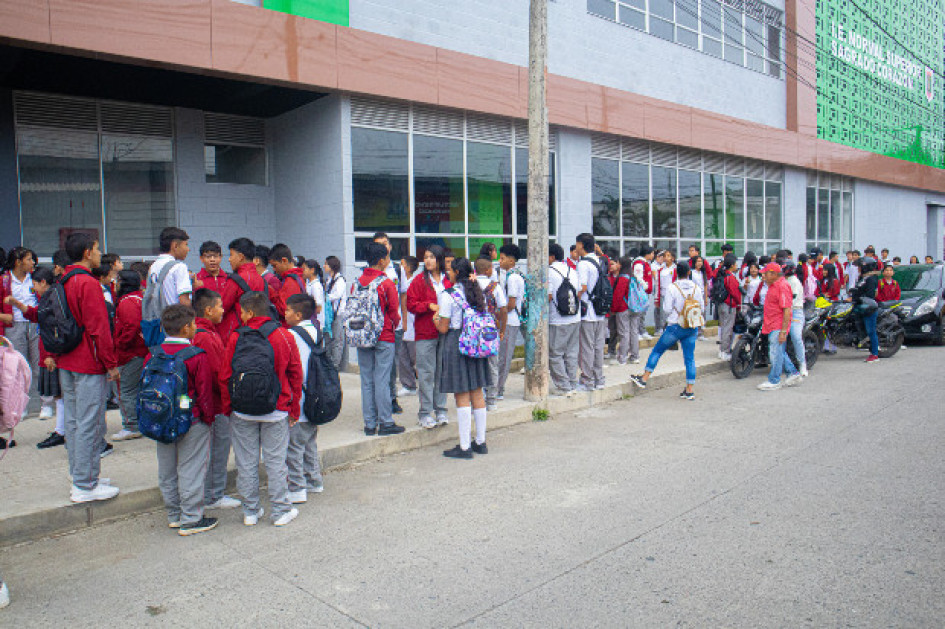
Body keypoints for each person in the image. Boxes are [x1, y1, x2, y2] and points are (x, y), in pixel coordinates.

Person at [221, 291, 303, 527]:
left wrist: (229, 406)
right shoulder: (284, 335)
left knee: (246, 462)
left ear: (248, 312)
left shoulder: (236, 337)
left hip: (242, 410)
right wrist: (293, 408)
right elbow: (296, 375)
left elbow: (225, 375)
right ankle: (279, 511)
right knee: (276, 462)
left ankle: (250, 511)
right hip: (276, 409)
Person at [57, 233, 120, 502]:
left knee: (73, 421)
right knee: (90, 423)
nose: (98, 254)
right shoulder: (88, 284)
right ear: (86, 252)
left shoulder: (62, 280)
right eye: (96, 249)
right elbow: (99, 328)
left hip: (66, 359)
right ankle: (85, 484)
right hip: (88, 361)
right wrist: (111, 364)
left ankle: (81, 473)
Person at [149, 304, 218, 536]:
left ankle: (174, 514)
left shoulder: (155, 353)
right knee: (191, 468)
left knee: (167, 468)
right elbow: (204, 392)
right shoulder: (196, 356)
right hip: (192, 418)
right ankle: (191, 518)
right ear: (187, 327)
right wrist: (209, 418)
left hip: (160, 418)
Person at [436, 257, 492, 458]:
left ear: (457, 273)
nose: (447, 273)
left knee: (461, 394)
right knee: (477, 392)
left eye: (450, 270)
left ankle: (465, 447)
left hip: (457, 343)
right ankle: (481, 442)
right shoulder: (476, 292)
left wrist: (436, 320)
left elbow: (443, 327)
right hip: (476, 344)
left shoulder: (448, 295)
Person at [4, 266, 66, 449]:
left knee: (60, 395)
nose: (34, 290)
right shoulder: (50, 298)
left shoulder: (53, 300)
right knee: (59, 395)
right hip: (50, 353)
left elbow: (52, 329)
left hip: (53, 355)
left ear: (43, 282)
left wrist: (49, 355)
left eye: (34, 286)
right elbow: (36, 315)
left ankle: (62, 431)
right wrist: (17, 303)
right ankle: (62, 429)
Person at [191, 288, 241, 511]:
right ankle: (213, 495)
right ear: (209, 310)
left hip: (210, 404)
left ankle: (210, 492)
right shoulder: (206, 336)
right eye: (220, 306)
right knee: (218, 449)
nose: (223, 310)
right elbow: (215, 374)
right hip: (216, 404)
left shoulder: (202, 332)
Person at [629, 261, 702, 400]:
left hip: (675, 325)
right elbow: (701, 308)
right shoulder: (696, 288)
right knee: (689, 358)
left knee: (658, 350)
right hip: (691, 326)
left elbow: (667, 309)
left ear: (676, 273)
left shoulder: (672, 288)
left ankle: (644, 378)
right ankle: (689, 390)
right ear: (688, 273)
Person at [354, 242, 405, 436]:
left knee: (366, 380)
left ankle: (369, 424)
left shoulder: (357, 282)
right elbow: (394, 312)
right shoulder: (386, 283)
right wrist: (395, 323)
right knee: (381, 380)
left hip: (362, 335)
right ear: (382, 260)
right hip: (384, 335)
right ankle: (385, 422)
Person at [3, 247, 53, 418]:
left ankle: (46, 403)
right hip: (14, 325)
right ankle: (20, 406)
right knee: (18, 368)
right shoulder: (4, 279)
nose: (33, 263)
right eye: (29, 259)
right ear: (18, 262)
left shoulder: (35, 278)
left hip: (35, 323)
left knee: (40, 363)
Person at [285, 293, 325, 504]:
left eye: (288, 310)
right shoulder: (317, 332)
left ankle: (297, 487)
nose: (285, 313)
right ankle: (314, 480)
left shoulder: (291, 334)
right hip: (316, 396)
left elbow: (294, 369)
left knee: (294, 446)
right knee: (310, 441)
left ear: (298, 314)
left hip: (299, 398)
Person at [406, 245, 450, 429]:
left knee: (442, 372)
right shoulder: (418, 281)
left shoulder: (448, 280)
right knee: (426, 373)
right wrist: (428, 306)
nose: (428, 260)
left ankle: (440, 409)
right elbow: (411, 304)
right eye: (426, 257)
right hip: (425, 332)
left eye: (432, 257)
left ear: (439, 259)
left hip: (445, 331)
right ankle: (425, 413)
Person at [112, 269, 148, 441]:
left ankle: (131, 425)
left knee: (125, 391)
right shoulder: (140, 299)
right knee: (136, 390)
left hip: (131, 353)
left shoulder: (127, 302)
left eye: (117, 281)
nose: (115, 284)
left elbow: (131, 327)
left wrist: (120, 344)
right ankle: (138, 423)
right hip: (141, 352)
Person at [372, 232, 405, 416]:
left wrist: (404, 321)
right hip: (376, 326)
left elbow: (403, 296)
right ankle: (380, 400)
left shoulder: (398, 270)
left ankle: (391, 398)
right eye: (378, 244)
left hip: (395, 325)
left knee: (392, 365)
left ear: (390, 246)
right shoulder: (370, 271)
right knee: (377, 366)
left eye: (385, 244)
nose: (383, 248)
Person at [756, 263, 802, 391]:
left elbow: (787, 310)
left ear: (774, 274)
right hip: (772, 323)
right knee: (779, 351)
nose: (763, 276)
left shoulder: (782, 286)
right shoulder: (773, 285)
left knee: (775, 352)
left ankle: (774, 380)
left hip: (778, 324)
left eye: (766, 273)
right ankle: (793, 373)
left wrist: (783, 331)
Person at [548, 243, 581, 394]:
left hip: (557, 319)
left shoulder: (548, 272)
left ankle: (563, 386)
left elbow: (547, 296)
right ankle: (572, 382)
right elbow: (579, 292)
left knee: (555, 354)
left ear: (551, 256)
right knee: (571, 353)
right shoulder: (572, 270)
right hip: (575, 317)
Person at [575, 233, 607, 390]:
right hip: (600, 311)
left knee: (586, 347)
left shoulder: (583, 264)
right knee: (598, 346)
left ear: (581, 245)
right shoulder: (600, 261)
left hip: (588, 311)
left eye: (577, 244)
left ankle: (587, 380)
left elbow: (582, 287)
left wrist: (575, 298)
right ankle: (599, 379)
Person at [476, 257, 507, 411]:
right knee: (492, 365)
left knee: (476, 365)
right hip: (491, 331)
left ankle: (477, 398)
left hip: (474, 332)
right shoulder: (495, 287)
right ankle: (491, 400)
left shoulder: (470, 285)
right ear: (488, 270)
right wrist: (502, 329)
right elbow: (503, 309)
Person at [219, 237, 265, 339]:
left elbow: (222, 307)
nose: (229, 259)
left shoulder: (235, 280)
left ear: (240, 257)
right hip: (259, 333)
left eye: (231, 255)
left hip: (236, 334)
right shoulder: (262, 280)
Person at [496, 244, 525, 399]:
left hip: (510, 321)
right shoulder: (513, 274)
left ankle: (498, 389)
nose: (499, 261)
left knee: (504, 357)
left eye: (502, 258)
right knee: (502, 356)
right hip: (509, 321)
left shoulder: (513, 278)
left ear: (512, 261)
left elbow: (512, 304)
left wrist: (500, 314)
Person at [148, 227, 193, 308]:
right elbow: (184, 301)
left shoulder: (153, 266)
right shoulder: (179, 267)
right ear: (175, 246)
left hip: (158, 317)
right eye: (186, 244)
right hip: (175, 317)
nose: (188, 249)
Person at [397, 255, 419, 397]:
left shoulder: (415, 283)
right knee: (402, 357)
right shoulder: (398, 282)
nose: (400, 267)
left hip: (413, 325)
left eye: (402, 264)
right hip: (401, 326)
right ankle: (408, 385)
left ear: (409, 268)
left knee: (416, 358)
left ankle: (424, 384)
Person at [782, 263, 808, 378]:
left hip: (795, 312)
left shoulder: (794, 282)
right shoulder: (782, 280)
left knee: (796, 336)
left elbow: (791, 298)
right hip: (782, 312)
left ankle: (802, 364)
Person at [268, 243, 305, 321]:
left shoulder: (291, 281)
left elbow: (284, 310)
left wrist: (271, 293)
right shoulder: (297, 277)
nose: (274, 269)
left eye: (275, 265)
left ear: (284, 261)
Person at [323, 256, 348, 371]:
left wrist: (324, 297)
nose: (324, 266)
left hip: (338, 314)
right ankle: (328, 361)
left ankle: (335, 364)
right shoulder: (329, 279)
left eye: (326, 264)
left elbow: (336, 295)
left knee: (337, 339)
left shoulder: (340, 280)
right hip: (330, 314)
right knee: (328, 338)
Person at [714, 254, 740, 360]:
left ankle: (722, 350)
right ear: (732, 265)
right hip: (729, 305)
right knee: (727, 329)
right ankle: (725, 351)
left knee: (724, 327)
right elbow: (735, 293)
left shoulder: (722, 274)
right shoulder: (730, 277)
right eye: (735, 264)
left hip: (721, 304)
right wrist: (739, 304)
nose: (737, 266)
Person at [609, 257, 631, 365]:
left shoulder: (622, 278)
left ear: (621, 265)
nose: (615, 264)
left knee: (623, 333)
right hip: (628, 307)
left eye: (617, 263)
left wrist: (613, 309)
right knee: (626, 332)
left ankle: (622, 358)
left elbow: (618, 296)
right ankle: (624, 355)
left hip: (622, 308)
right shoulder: (630, 276)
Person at [633, 246, 655, 340]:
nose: (653, 255)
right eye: (652, 253)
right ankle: (637, 332)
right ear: (647, 253)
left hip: (644, 293)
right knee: (639, 313)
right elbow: (638, 277)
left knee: (643, 313)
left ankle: (642, 331)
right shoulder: (639, 263)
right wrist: (645, 286)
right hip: (639, 293)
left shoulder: (646, 263)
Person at [301, 259, 326, 328]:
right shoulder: (309, 284)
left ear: (312, 270)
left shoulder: (316, 286)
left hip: (316, 322)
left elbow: (318, 307)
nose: (302, 272)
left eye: (304, 269)